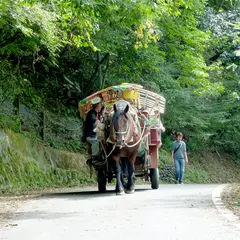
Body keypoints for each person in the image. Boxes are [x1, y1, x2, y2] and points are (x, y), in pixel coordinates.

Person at [85, 97, 102, 162]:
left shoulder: (96, 113)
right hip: (90, 135)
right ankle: (94, 158)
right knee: (96, 141)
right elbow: (95, 122)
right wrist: (98, 121)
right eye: (100, 105)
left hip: (93, 134)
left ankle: (96, 156)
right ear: (97, 106)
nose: (101, 107)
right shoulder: (91, 113)